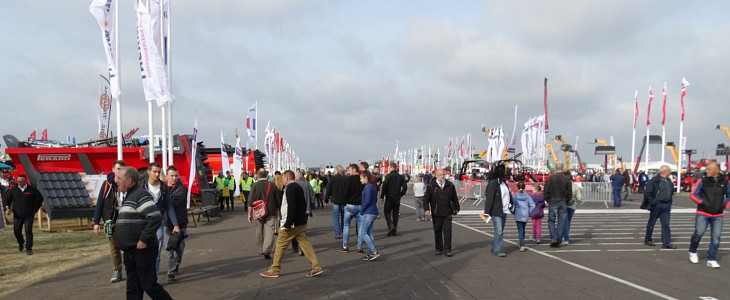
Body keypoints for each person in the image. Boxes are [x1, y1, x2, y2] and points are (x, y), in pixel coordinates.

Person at [114, 166, 173, 300]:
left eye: (119, 178)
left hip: (142, 250)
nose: (116, 180)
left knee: (149, 285)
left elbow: (155, 217)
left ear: (129, 181)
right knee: (133, 288)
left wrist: (143, 240)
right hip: (131, 251)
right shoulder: (129, 196)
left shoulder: (139, 195)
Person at [260, 170, 324, 278]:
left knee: (280, 245)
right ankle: (316, 266)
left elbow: (291, 207)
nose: (282, 180)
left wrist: (288, 224)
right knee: (305, 245)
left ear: (287, 178)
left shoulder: (290, 188)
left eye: (283, 178)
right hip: (300, 222)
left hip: (292, 223)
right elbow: (301, 204)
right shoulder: (298, 187)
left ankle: (275, 269)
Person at [139, 162, 180, 275]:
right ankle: (143, 274)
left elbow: (169, 206)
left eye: (158, 172)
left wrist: (175, 224)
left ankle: (153, 277)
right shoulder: (141, 186)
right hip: (143, 222)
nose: (157, 174)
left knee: (156, 251)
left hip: (158, 223)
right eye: (154, 172)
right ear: (148, 172)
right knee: (142, 249)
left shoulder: (163, 187)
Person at [688, 162, 730, 268]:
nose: (707, 171)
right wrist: (702, 202)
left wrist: (724, 205)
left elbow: (729, 195)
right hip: (703, 212)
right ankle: (692, 251)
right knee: (699, 233)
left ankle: (712, 258)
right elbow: (693, 194)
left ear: (716, 170)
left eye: (709, 169)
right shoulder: (702, 181)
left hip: (718, 214)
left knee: (716, 237)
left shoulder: (724, 182)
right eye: (707, 169)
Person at [92, 160, 126, 283]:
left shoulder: (128, 183)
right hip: (110, 220)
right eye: (118, 168)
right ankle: (117, 271)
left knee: (128, 246)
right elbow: (100, 204)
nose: (120, 171)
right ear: (113, 169)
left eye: (122, 168)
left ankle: (132, 268)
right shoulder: (107, 184)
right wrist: (96, 222)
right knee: (114, 247)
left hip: (125, 220)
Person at [247, 169, 282, 260]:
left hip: (258, 211)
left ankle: (260, 249)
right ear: (266, 175)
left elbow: (250, 201)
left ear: (258, 175)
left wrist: (249, 214)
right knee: (269, 231)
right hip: (270, 211)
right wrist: (278, 210)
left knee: (259, 230)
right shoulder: (273, 185)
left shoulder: (254, 185)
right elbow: (278, 200)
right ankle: (267, 249)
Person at [5, 174, 43, 255]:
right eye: (18, 181)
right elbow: (7, 200)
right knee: (16, 231)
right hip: (17, 214)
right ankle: (21, 242)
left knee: (28, 230)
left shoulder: (32, 189)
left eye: (22, 182)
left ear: (26, 181)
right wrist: (7, 209)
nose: (20, 183)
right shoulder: (13, 190)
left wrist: (35, 209)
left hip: (29, 214)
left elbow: (40, 198)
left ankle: (28, 248)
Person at [424, 169, 459, 257]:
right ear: (435, 175)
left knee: (447, 231)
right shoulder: (431, 186)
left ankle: (448, 249)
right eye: (440, 175)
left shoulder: (450, 185)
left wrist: (457, 207)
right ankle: (438, 248)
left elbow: (454, 197)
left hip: (447, 212)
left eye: (443, 174)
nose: (442, 176)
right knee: (437, 231)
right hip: (436, 212)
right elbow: (426, 198)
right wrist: (426, 209)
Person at [641, 165, 676, 249]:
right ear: (664, 171)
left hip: (666, 204)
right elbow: (648, 193)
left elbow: (671, 191)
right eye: (669, 170)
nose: (670, 171)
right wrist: (653, 202)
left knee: (666, 224)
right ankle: (648, 239)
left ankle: (666, 242)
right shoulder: (654, 181)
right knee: (652, 223)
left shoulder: (668, 181)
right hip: (657, 205)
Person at [164, 166, 189, 283]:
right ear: (167, 176)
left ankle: (176, 263)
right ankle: (171, 272)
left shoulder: (182, 189)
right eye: (172, 176)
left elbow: (170, 203)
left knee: (179, 248)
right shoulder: (162, 188)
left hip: (181, 222)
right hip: (166, 223)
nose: (174, 178)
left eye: (176, 176)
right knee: (168, 248)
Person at [544, 163, 572, 248]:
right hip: (563, 201)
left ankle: (554, 237)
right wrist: (567, 200)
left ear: (555, 170)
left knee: (551, 221)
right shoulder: (567, 179)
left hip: (553, 201)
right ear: (563, 169)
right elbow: (569, 192)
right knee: (561, 222)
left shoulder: (550, 179)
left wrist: (548, 199)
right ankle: (559, 239)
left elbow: (546, 191)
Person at [380, 162, 407, 236]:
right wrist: (401, 194)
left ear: (392, 168)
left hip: (389, 197)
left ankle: (391, 226)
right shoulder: (401, 177)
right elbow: (405, 187)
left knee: (387, 212)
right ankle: (394, 228)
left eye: (389, 168)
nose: (388, 169)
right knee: (395, 213)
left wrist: (382, 196)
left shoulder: (388, 176)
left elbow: (384, 187)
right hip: (397, 197)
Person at [359, 170, 381, 261]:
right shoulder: (372, 187)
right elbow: (374, 200)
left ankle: (373, 251)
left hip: (368, 212)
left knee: (363, 233)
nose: (360, 180)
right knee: (369, 233)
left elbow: (367, 201)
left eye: (361, 178)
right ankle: (370, 253)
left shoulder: (368, 188)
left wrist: (362, 210)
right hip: (373, 211)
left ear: (366, 178)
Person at [341, 164, 363, 252]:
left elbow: (345, 192)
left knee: (346, 226)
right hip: (360, 205)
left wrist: (344, 203)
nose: (348, 172)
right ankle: (359, 247)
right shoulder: (362, 179)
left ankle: (345, 246)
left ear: (354, 170)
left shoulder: (349, 179)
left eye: (349, 170)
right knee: (360, 227)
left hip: (350, 205)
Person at [324, 165, 347, 239]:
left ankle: (337, 233)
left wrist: (326, 199)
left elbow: (328, 189)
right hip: (344, 200)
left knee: (336, 217)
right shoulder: (346, 178)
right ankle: (343, 232)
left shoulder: (333, 178)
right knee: (344, 217)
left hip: (335, 199)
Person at [513, 181, 535, 252]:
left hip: (518, 213)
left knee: (520, 229)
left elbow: (511, 205)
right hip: (525, 213)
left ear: (517, 187)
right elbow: (533, 205)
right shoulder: (527, 196)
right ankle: (521, 242)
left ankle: (522, 244)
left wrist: (513, 212)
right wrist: (529, 211)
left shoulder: (515, 196)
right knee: (523, 228)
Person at [563, 172, 582, 245]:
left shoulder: (562, 186)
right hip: (572, 206)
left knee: (565, 222)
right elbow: (579, 198)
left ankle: (565, 238)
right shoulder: (575, 186)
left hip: (563, 205)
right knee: (567, 222)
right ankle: (565, 237)